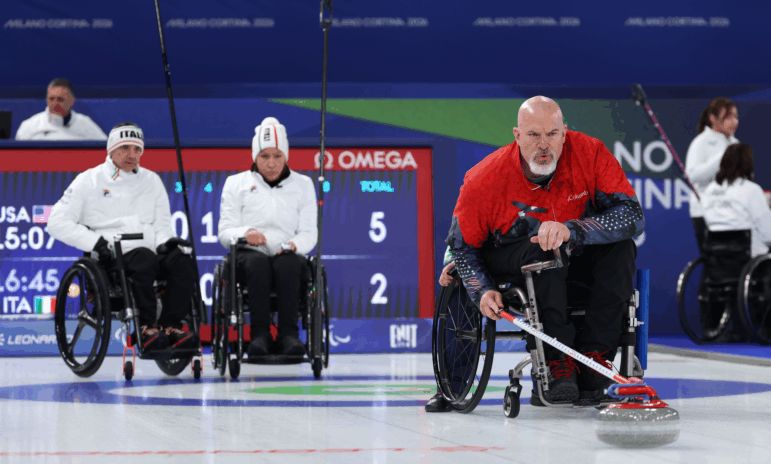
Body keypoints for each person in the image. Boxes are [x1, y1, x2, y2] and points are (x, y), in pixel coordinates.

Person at [444, 96, 643, 406]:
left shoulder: (590, 153)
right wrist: (481, 290)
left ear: (564, 132)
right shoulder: (483, 178)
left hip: (574, 248)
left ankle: (597, 356)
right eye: (534, 134)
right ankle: (557, 361)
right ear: (517, 135)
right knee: (544, 248)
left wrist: (573, 229)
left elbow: (631, 215)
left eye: (552, 134)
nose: (544, 144)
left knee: (621, 248)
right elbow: (463, 248)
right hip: (511, 253)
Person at [48, 122, 198, 351]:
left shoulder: (152, 180)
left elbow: (161, 225)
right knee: (144, 258)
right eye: (125, 148)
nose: (132, 154)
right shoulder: (89, 180)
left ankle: (170, 326)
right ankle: (147, 328)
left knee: (182, 261)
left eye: (137, 149)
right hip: (111, 256)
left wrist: (166, 242)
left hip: (148, 252)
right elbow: (56, 222)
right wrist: (95, 243)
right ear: (111, 149)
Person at [218, 117, 318, 357]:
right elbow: (224, 231)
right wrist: (245, 233)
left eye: (277, 156)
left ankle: (289, 336)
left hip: (287, 252)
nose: (271, 163)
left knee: (289, 264)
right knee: (258, 264)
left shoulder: (303, 184)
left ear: (286, 156)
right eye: (265, 156)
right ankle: (259, 336)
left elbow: (309, 232)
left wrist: (295, 244)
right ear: (255, 156)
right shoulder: (235, 183)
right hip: (248, 254)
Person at [684, 98, 739, 252]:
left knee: (729, 264)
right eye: (728, 117)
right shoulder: (701, 142)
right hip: (705, 212)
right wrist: (722, 159)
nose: (734, 122)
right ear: (713, 119)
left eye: (735, 117)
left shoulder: (735, 144)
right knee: (713, 263)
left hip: (731, 213)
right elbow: (692, 176)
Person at [702, 143, 771, 258]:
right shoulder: (751, 190)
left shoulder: (709, 190)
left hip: (718, 259)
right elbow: (768, 232)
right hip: (751, 259)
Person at [15, 78, 107, 141]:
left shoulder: (86, 124)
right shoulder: (29, 126)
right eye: (51, 99)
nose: (55, 104)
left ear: (72, 100)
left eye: (60, 99)